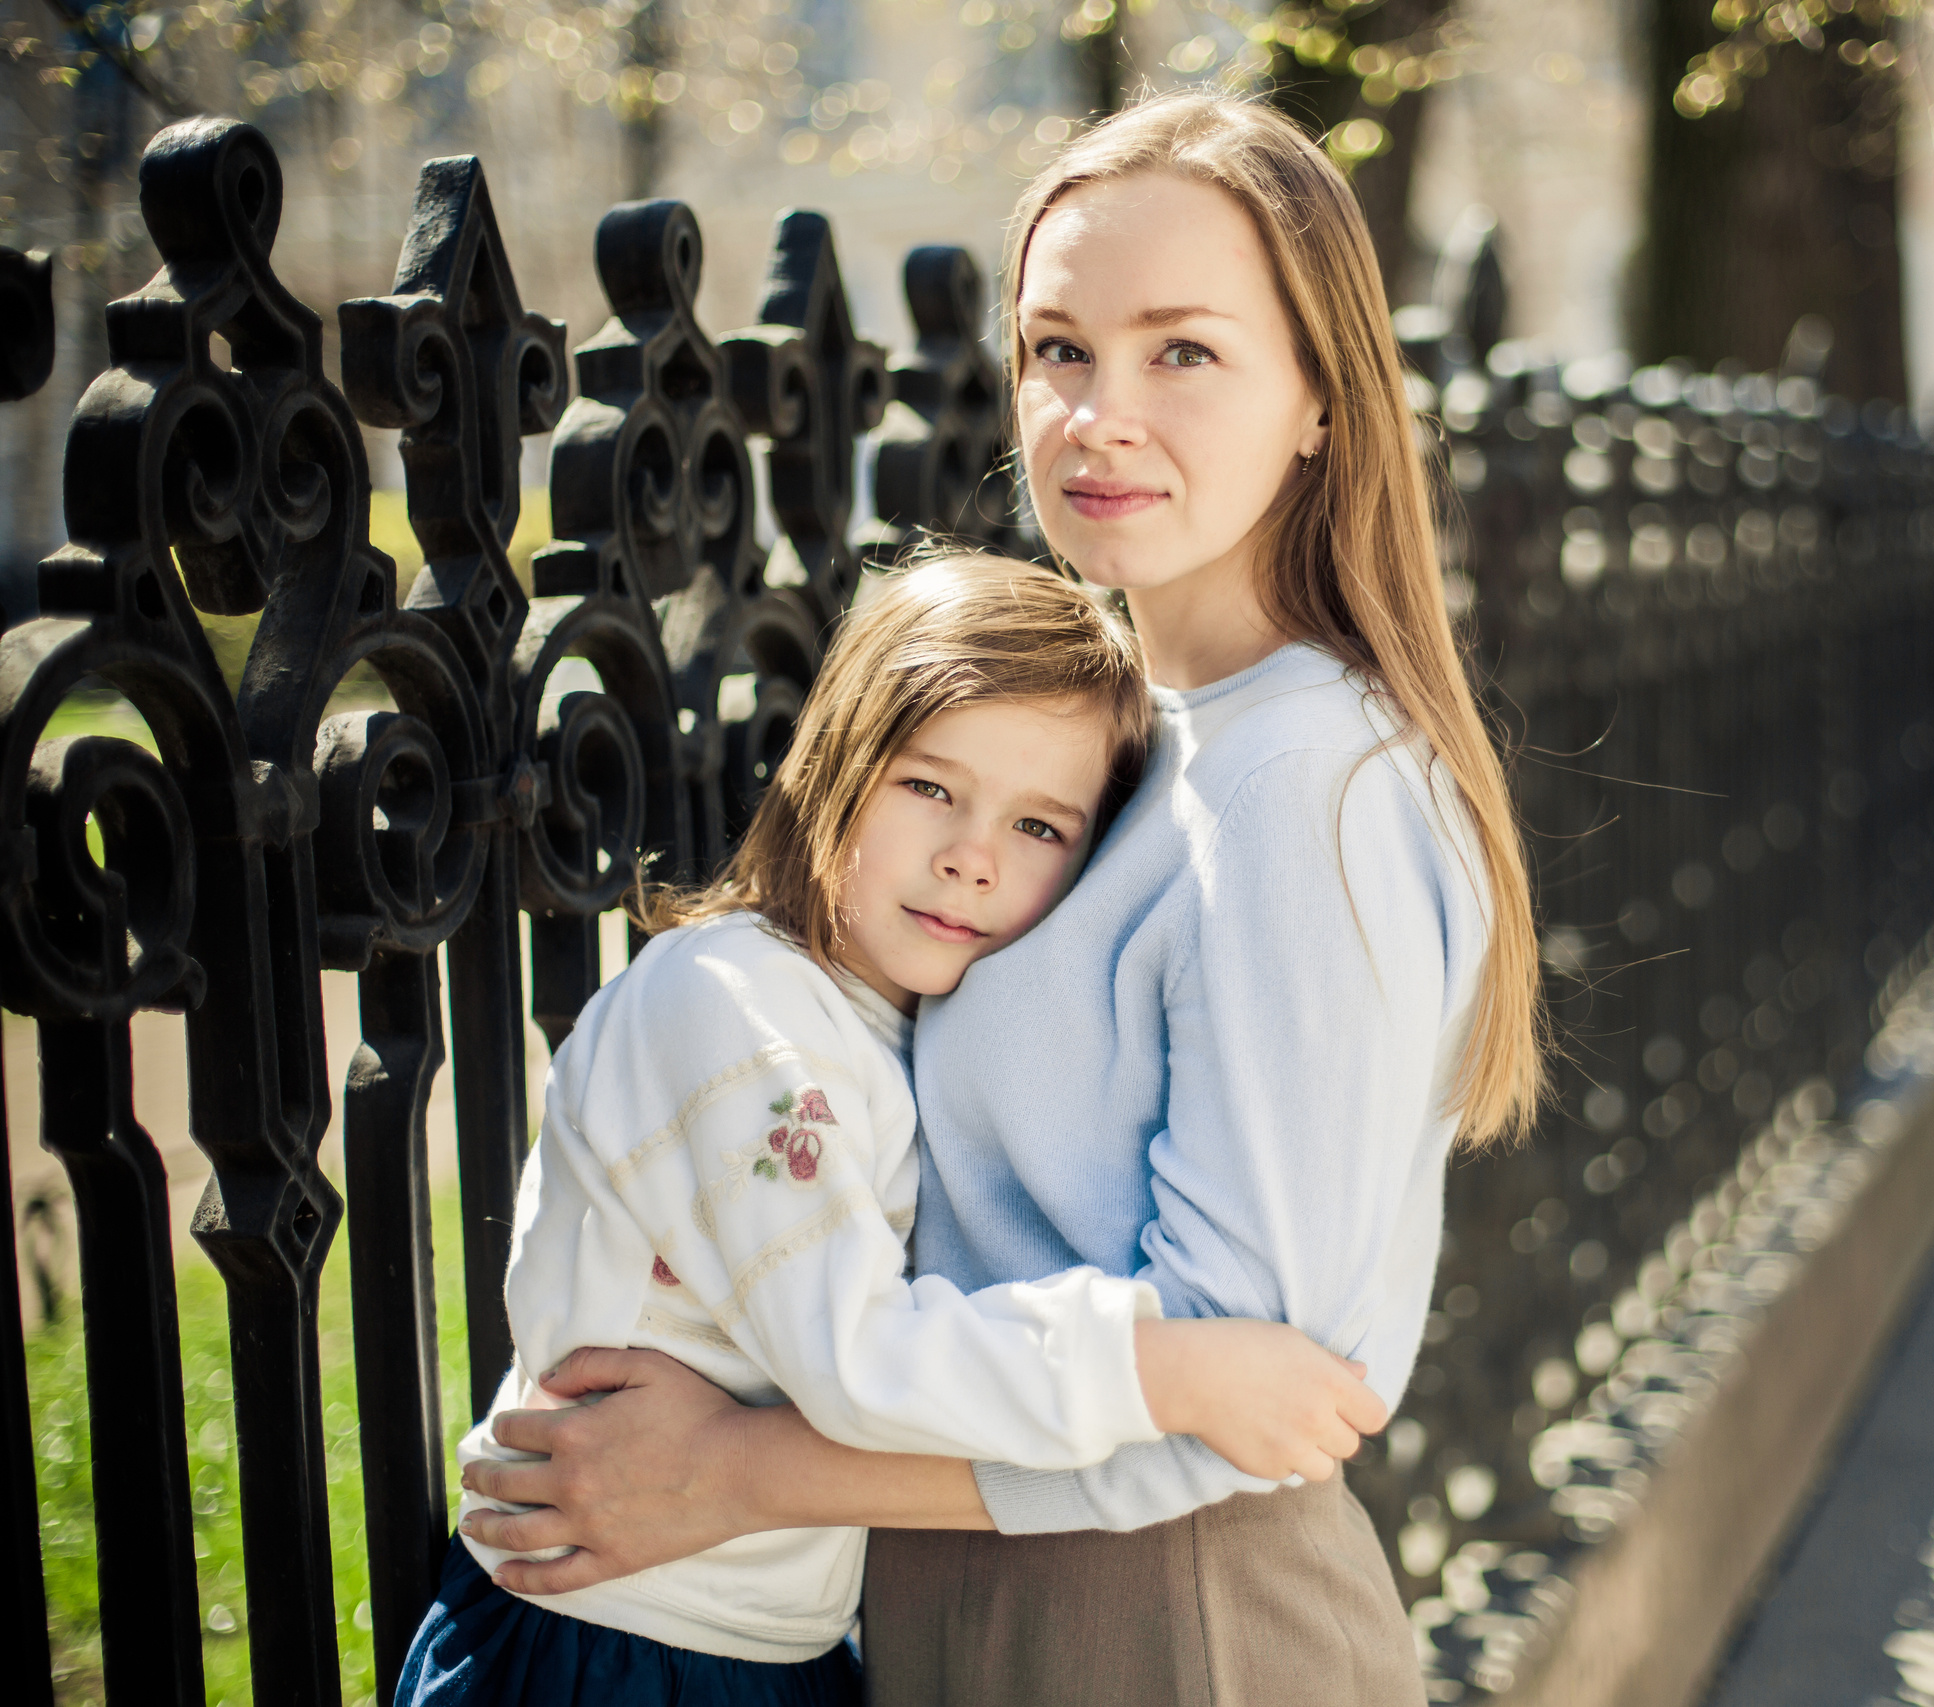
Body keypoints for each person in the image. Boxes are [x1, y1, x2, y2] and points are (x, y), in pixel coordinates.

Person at [454, 92, 1547, 1706]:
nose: (1099, 413)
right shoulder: (1122, 745)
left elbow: (1237, 1394)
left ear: (1320, 394)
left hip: (1166, 1627)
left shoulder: (1308, 789)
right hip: (954, 1607)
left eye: (1184, 351)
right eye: (1059, 350)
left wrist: (748, 1473)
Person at [396, 553, 1388, 1707]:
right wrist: (1168, 1370)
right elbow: (857, 1361)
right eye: (930, 787)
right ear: (837, 765)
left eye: (1039, 825)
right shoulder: (732, 1007)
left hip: (775, 1649)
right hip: (615, 1647)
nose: (973, 854)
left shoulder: (906, 1028)